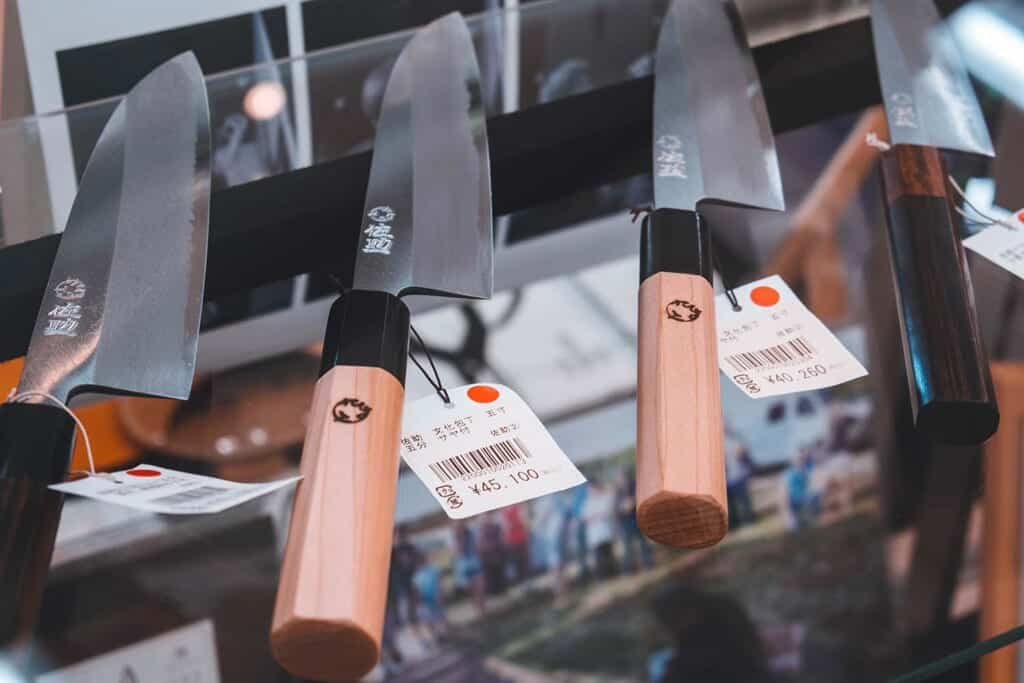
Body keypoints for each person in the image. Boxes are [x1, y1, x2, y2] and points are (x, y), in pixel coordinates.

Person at [615, 467, 653, 573]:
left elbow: (641, 496)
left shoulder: (634, 485)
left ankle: (648, 564)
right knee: (627, 546)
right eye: (619, 477)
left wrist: (632, 502)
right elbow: (616, 507)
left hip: (636, 518)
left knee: (642, 543)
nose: (621, 479)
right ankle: (629, 569)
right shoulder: (618, 491)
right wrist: (622, 508)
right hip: (625, 522)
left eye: (622, 476)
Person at [582, 475, 619, 578]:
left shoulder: (604, 498)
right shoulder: (587, 502)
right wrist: (596, 516)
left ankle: (613, 574)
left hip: (606, 533)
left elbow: (607, 511)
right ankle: (603, 576)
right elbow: (585, 517)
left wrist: (596, 516)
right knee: (599, 558)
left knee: (608, 555)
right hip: (595, 536)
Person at [390, 525, 422, 629]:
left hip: (411, 580)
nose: (401, 536)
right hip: (400, 583)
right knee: (403, 605)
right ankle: (405, 624)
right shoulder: (394, 550)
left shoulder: (409, 547)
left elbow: (417, 560)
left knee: (413, 604)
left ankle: (414, 621)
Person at [452, 520, 486, 618]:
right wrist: (460, 538)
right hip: (463, 568)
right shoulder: (455, 537)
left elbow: (478, 547)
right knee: (471, 592)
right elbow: (459, 552)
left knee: (480, 590)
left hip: (475, 564)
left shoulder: (472, 533)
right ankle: (477, 611)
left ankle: (483, 610)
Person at [725, 427, 757, 527]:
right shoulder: (721, 441)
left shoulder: (736, 438)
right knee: (731, 504)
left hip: (739, 475)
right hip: (728, 478)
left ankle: (749, 521)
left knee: (744, 500)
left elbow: (745, 453)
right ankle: (734, 524)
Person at [412, 554, 448, 643]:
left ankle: (443, 633)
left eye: (422, 560)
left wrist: (441, 593)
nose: (420, 563)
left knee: (440, 617)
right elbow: (416, 590)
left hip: (436, 598)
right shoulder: (416, 576)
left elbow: (439, 583)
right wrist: (418, 600)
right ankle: (436, 635)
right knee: (428, 619)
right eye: (418, 561)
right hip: (425, 601)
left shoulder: (432, 570)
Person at [785, 451, 819, 530]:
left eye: (802, 459)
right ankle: (801, 520)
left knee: (816, 495)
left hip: (803, 495)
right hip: (797, 497)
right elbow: (790, 491)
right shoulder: (791, 474)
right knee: (813, 497)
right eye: (799, 459)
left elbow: (812, 477)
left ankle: (807, 518)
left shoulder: (807, 468)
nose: (801, 461)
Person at [478, 510, 507, 595]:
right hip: (488, 557)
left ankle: (502, 591)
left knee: (500, 574)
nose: (488, 518)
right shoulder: (482, 529)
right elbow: (481, 543)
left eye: (489, 516)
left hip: (498, 554)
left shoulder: (496, 526)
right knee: (491, 576)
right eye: (486, 516)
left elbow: (501, 539)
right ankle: (493, 593)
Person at [502, 503, 531, 585]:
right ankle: (520, 582)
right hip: (512, 542)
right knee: (516, 563)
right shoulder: (504, 511)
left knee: (524, 561)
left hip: (522, 539)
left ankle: (526, 581)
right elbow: (505, 527)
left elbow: (524, 521)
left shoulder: (518, 507)